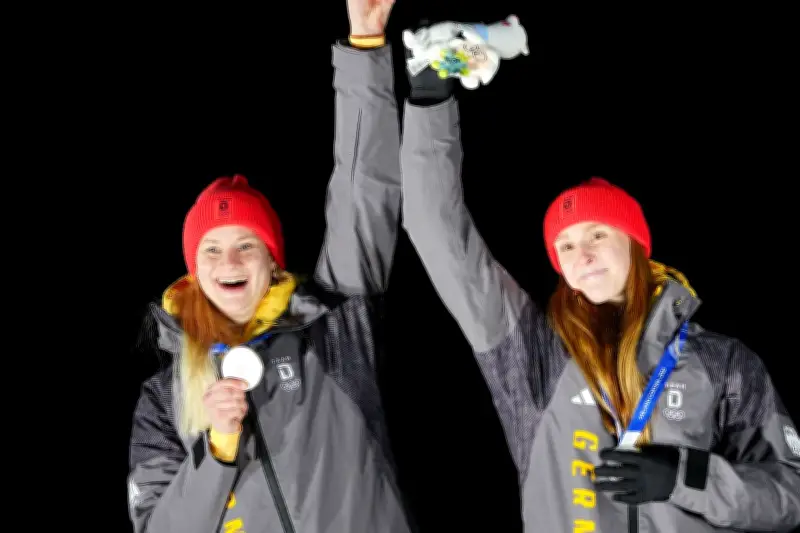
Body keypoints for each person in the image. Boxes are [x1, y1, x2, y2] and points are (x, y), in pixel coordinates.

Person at [399, 58, 800, 532]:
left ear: (634, 244)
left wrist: (688, 479)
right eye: (565, 246)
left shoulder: (722, 362)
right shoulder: (530, 352)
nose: (581, 254)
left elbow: (789, 496)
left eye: (597, 235)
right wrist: (429, 102)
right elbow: (438, 233)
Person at [125, 1, 417, 532]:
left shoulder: (332, 330)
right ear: (192, 271)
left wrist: (366, 50)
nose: (229, 262)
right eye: (211, 250)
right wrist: (216, 450)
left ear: (274, 264)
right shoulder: (163, 398)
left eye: (247, 246)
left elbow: (363, 196)